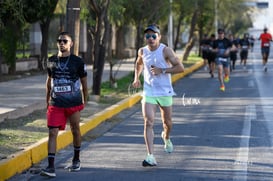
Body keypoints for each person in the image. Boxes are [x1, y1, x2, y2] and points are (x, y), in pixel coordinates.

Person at [132, 24, 184, 167]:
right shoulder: (142, 51)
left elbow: (180, 68)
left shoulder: (166, 50)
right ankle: (150, 156)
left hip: (165, 92)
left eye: (154, 35)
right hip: (149, 92)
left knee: (167, 122)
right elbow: (138, 64)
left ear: (159, 37)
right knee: (148, 121)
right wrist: (136, 77)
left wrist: (163, 70)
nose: (150, 38)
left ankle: (166, 137)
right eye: (148, 36)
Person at [40, 32, 88, 177]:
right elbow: (49, 82)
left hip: (73, 102)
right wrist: (47, 100)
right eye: (59, 41)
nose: (62, 43)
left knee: (75, 130)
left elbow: (84, 84)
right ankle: (50, 167)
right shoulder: (51, 60)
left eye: (65, 41)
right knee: (52, 132)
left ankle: (76, 159)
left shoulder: (78, 61)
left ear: (71, 44)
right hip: (56, 103)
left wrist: (84, 100)